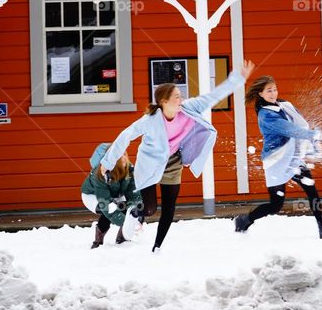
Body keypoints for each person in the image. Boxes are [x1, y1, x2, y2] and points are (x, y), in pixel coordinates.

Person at [99, 60, 255, 251]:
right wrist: (107, 161)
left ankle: (156, 247)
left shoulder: (189, 108)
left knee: (169, 207)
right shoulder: (149, 121)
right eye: (176, 97)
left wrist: (238, 79)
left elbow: (213, 96)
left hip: (173, 162)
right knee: (149, 209)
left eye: (181, 96)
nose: (181, 100)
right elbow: (125, 136)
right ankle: (133, 216)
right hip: (150, 165)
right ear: (164, 101)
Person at [234, 75, 322, 239]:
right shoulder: (266, 115)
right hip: (277, 159)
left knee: (312, 191)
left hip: (293, 156)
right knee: (276, 205)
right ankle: (245, 219)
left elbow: (299, 124)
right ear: (260, 93)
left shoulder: (282, 106)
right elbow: (291, 129)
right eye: (269, 90)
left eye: (274, 89)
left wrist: (312, 140)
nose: (273, 93)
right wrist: (317, 135)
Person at [80, 144, 142, 249]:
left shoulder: (130, 169)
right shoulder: (100, 174)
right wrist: (127, 224)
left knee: (125, 208)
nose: (124, 158)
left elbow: (134, 194)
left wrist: (135, 212)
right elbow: (106, 205)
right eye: (119, 156)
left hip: (115, 194)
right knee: (109, 209)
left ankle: (122, 239)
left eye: (124, 154)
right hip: (92, 196)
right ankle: (98, 241)